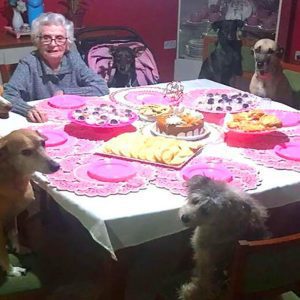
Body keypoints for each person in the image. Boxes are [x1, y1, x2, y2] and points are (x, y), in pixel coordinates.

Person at [3, 12, 109, 123]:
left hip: (72, 118)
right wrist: (27, 110)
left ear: (67, 42)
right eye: (46, 38)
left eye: (59, 38)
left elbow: (101, 87)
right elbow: (8, 95)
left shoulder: (73, 59)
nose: (53, 44)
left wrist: (66, 92)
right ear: (37, 41)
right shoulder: (29, 63)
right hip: (42, 121)